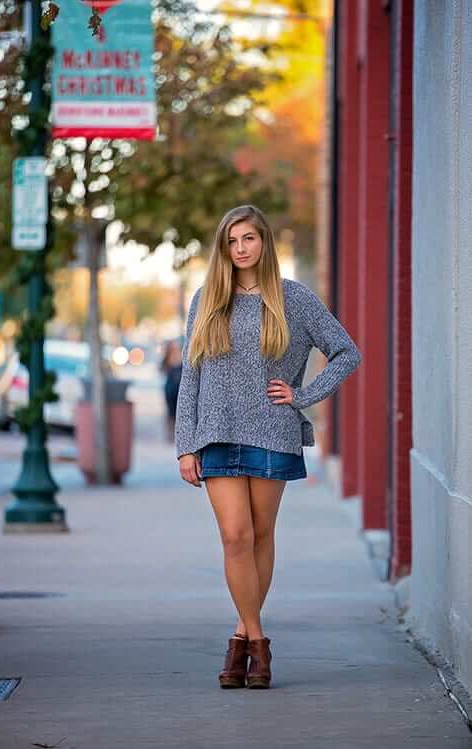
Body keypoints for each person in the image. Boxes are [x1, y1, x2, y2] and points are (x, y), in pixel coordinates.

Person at [174, 205, 362, 690]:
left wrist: (303, 396)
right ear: (224, 247)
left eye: (249, 239)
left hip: (272, 431)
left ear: (264, 244)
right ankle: (258, 643)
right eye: (232, 240)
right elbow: (191, 374)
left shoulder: (293, 299)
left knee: (259, 536)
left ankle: (239, 640)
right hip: (215, 432)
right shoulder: (207, 299)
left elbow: (346, 351)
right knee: (235, 536)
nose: (240, 248)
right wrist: (185, 445)